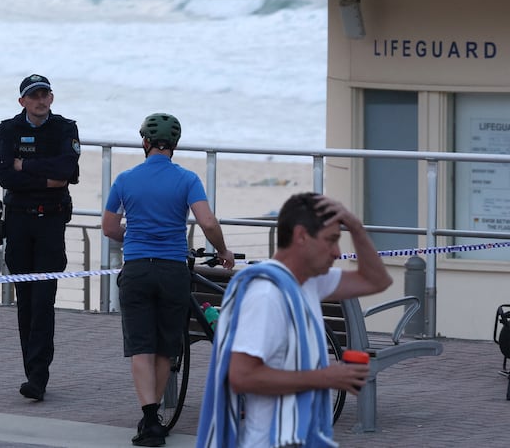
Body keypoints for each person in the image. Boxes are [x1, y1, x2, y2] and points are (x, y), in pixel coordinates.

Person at [196, 192, 393, 448]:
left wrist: (356, 228)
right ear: (301, 236)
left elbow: (377, 280)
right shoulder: (267, 295)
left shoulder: (308, 282)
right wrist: (325, 378)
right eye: (331, 240)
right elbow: (242, 376)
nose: (337, 252)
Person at [102, 113, 235, 447]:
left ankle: (149, 419)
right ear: (174, 146)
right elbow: (207, 221)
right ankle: (156, 418)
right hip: (173, 269)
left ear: (144, 142)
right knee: (165, 347)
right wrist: (223, 251)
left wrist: (131, 237)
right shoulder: (187, 179)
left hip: (136, 270)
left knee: (140, 347)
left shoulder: (125, 179)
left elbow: (108, 227)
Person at [0, 73, 80, 402]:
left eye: (45, 94)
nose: (41, 100)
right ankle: (32, 370)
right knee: (26, 301)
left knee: (44, 300)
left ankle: (38, 377)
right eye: (34, 96)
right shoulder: (8, 128)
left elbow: (67, 171)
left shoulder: (65, 128)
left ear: (51, 98)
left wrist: (25, 167)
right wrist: (45, 176)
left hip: (51, 222)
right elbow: (4, 175)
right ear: (22, 102)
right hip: (17, 222)